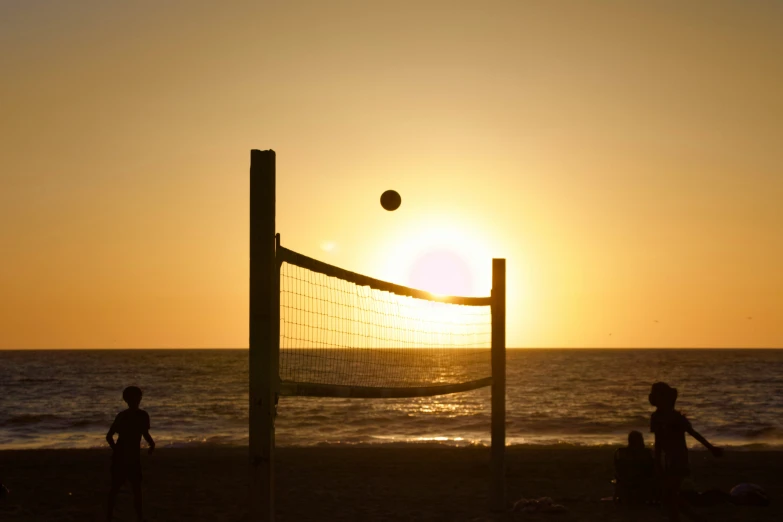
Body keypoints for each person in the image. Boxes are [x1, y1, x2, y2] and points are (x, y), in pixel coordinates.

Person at [649, 382, 722, 521]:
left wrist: (711, 448)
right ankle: (694, 517)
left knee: (669, 494)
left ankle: (689, 517)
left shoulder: (676, 417)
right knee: (670, 495)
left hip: (679, 460)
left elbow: (693, 433)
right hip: (667, 460)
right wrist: (657, 463)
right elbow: (658, 443)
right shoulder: (656, 418)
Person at [106, 386, 155, 522]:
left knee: (126, 489)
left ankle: (135, 517)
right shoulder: (138, 415)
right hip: (127, 457)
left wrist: (152, 444)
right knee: (126, 489)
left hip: (129, 457)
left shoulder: (129, 415)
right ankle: (114, 516)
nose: (136, 399)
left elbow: (110, 437)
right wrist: (151, 445)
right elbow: (109, 436)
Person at [614, 430, 655, 504]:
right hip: (642, 479)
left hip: (626, 479)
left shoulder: (622, 452)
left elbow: (618, 468)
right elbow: (651, 467)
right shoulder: (646, 453)